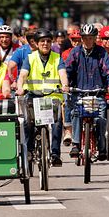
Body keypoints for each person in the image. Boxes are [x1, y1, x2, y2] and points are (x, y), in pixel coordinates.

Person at [16, 29, 69, 166]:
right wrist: (20, 87)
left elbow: (62, 73)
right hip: (34, 96)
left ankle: (55, 153)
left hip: (53, 97)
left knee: (57, 123)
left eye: (48, 41)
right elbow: (22, 75)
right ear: (37, 43)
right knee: (28, 122)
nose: (45, 44)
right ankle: (29, 150)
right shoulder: (30, 57)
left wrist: (65, 85)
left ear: (51, 43)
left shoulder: (57, 57)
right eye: (42, 41)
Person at [65, 24, 109, 161]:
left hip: (97, 94)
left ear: (95, 39)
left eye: (90, 38)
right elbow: (67, 70)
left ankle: (102, 147)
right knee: (75, 114)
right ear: (81, 38)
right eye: (85, 38)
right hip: (79, 93)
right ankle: (75, 144)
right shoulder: (75, 53)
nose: (88, 40)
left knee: (100, 120)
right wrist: (65, 84)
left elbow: (108, 72)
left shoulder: (101, 53)